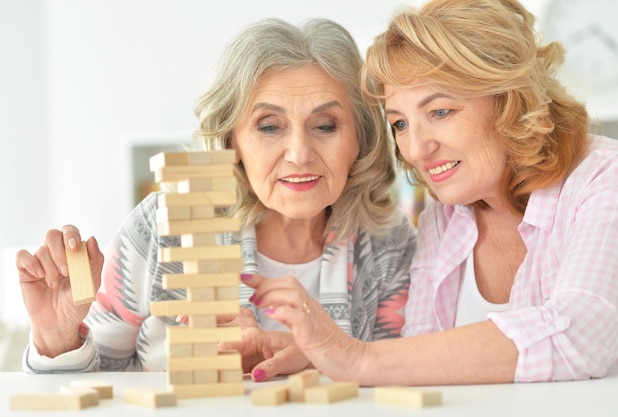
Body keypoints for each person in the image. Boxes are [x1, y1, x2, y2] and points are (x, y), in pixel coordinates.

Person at [242, 0, 618, 385]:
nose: (415, 149)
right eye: (400, 123)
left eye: (440, 112)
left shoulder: (607, 179)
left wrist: (354, 358)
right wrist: (317, 355)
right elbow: (418, 358)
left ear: (509, 99)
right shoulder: (446, 216)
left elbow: (582, 333)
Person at [15, 17, 417, 381]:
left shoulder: (387, 242)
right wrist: (57, 336)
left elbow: (399, 377)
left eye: (325, 125)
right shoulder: (162, 227)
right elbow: (88, 389)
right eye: (269, 126)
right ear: (232, 141)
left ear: (360, 139)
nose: (299, 153)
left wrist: (319, 358)